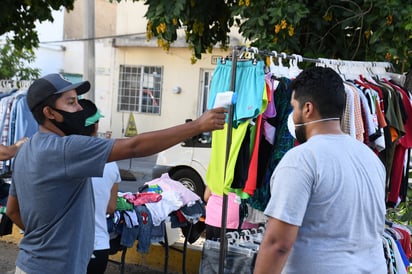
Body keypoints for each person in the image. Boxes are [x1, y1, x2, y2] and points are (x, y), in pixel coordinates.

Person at [5, 73, 227, 274]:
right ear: (49, 112)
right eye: (71, 103)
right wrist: (197, 126)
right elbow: (133, 146)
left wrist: (46, 239)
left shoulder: (26, 149)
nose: (80, 109)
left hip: (28, 263)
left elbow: (13, 210)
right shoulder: (65, 148)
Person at [253, 67, 386, 273]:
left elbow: (278, 244)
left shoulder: (301, 160)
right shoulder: (370, 157)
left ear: (307, 109)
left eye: (293, 107)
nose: (293, 115)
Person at [77, 99, 120, 274]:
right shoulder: (110, 163)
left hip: (65, 248)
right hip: (98, 245)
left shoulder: (58, 158)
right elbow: (111, 207)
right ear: (96, 126)